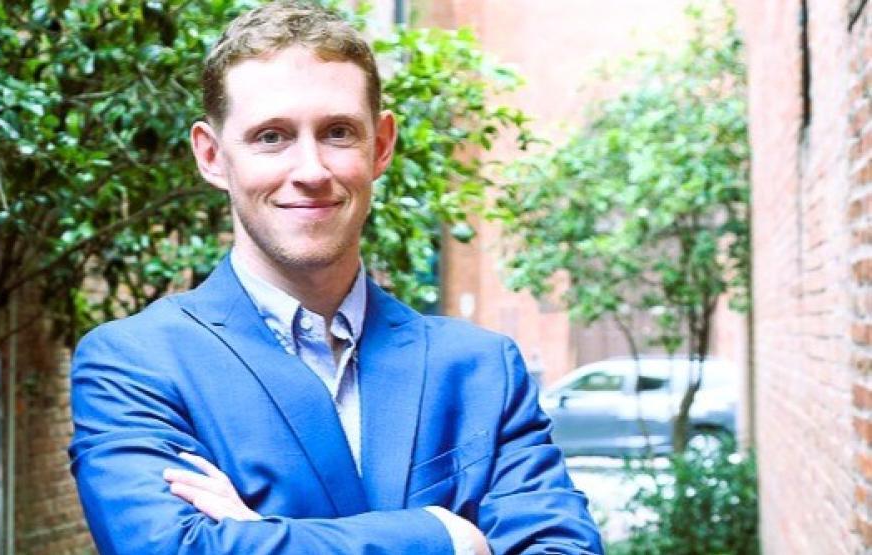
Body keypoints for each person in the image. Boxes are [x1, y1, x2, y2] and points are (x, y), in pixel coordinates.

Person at [68, 2, 603, 553]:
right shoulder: (136, 364)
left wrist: (253, 539)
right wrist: (443, 536)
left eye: (338, 132)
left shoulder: (479, 371)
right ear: (212, 156)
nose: (310, 171)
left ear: (382, 145)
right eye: (271, 136)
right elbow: (171, 548)